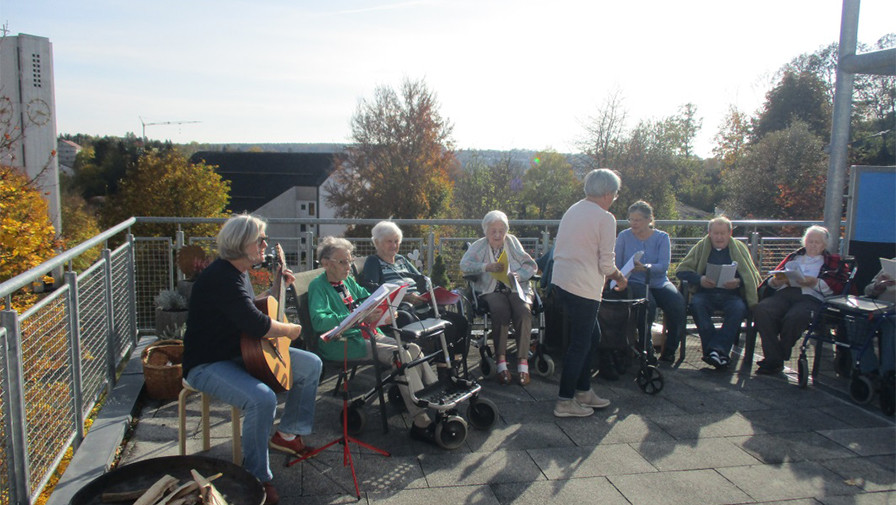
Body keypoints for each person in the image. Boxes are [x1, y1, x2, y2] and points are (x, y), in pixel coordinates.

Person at [182, 214, 322, 505]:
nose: (265, 245)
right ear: (241, 242)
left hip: (242, 353)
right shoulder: (220, 276)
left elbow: (251, 308)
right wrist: (292, 330)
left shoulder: (238, 271)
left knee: (311, 365)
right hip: (207, 364)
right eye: (260, 239)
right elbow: (257, 324)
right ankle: (258, 476)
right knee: (262, 399)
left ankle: (286, 434)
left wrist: (276, 287)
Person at [308, 236, 440, 442]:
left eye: (350, 261)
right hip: (341, 344)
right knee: (400, 355)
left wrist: (386, 310)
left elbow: (368, 300)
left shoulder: (347, 281)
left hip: (366, 335)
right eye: (343, 262)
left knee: (413, 349)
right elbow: (319, 321)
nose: (348, 267)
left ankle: (437, 399)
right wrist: (357, 316)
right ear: (326, 263)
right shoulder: (319, 286)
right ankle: (420, 421)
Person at [551, 169, 627, 417]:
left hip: (562, 282)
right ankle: (564, 401)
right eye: (615, 195)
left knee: (592, 337)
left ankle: (583, 391)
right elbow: (606, 265)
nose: (614, 199)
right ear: (607, 194)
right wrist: (619, 277)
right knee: (581, 343)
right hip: (584, 287)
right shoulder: (605, 218)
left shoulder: (573, 210)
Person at [359, 220, 469, 358]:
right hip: (399, 310)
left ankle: (453, 362)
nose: (394, 245)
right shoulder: (374, 262)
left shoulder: (401, 260)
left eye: (396, 241)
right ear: (377, 243)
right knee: (420, 322)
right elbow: (373, 289)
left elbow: (420, 279)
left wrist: (430, 293)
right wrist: (404, 297)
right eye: (389, 241)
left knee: (459, 321)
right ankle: (429, 361)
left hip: (421, 305)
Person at [753, 226, 851, 374]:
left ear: (824, 245)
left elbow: (837, 289)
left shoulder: (831, 262)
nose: (812, 245)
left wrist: (815, 283)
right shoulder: (794, 257)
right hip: (784, 293)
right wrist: (776, 282)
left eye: (817, 242)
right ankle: (775, 357)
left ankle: (776, 357)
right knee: (762, 309)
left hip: (811, 297)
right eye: (810, 241)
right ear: (804, 242)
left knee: (797, 316)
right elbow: (772, 280)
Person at [460, 210, 538, 386]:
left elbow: (530, 264)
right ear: (485, 231)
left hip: (516, 288)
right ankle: (501, 361)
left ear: (506, 230)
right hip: (491, 290)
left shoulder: (512, 242)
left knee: (524, 311)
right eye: (493, 230)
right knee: (500, 311)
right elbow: (464, 265)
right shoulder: (480, 246)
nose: (497, 234)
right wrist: (486, 266)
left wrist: (520, 275)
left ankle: (522, 362)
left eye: (501, 230)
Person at [675, 216, 761, 370]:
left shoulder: (739, 248)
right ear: (709, 233)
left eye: (723, 233)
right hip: (705, 293)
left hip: (731, 295)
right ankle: (718, 352)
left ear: (730, 233)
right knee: (696, 305)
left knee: (739, 309)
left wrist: (738, 282)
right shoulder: (701, 247)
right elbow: (681, 271)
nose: (719, 237)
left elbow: (750, 274)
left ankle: (713, 351)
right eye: (716, 233)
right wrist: (700, 279)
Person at [614, 200, 686, 363]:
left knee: (677, 304)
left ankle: (670, 349)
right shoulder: (624, 236)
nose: (633, 223)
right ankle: (646, 347)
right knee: (647, 305)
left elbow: (663, 266)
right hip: (635, 281)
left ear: (649, 220)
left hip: (659, 281)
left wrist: (646, 267)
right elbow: (617, 262)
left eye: (638, 220)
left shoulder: (662, 237)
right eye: (631, 219)